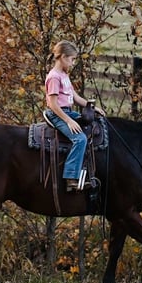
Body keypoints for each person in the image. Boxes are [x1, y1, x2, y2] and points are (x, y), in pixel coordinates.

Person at [44, 40, 105, 192]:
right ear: (63, 57)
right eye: (71, 59)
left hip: (68, 111)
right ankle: (71, 177)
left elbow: (76, 98)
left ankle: (88, 171)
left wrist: (93, 107)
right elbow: (52, 104)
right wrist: (69, 121)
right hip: (58, 114)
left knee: (92, 126)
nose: (72, 63)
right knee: (80, 138)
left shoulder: (64, 75)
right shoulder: (54, 77)